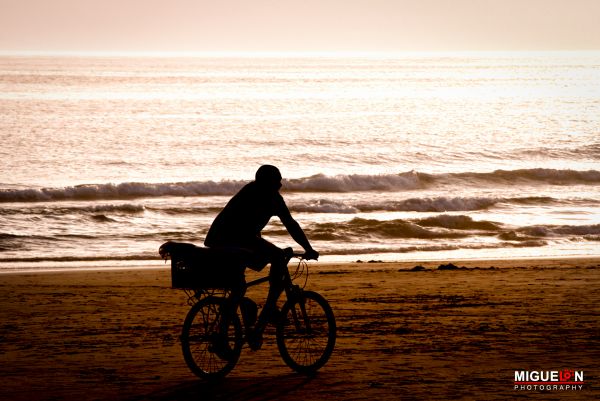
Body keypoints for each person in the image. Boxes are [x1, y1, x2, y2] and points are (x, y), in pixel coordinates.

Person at [204, 165, 318, 349]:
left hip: (230, 239)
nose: (280, 185)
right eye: (277, 181)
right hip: (231, 240)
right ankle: (269, 309)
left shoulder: (257, 192)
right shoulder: (265, 196)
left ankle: (233, 330)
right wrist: (308, 249)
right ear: (267, 182)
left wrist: (306, 246)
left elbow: (289, 225)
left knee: (239, 287)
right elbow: (289, 224)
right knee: (277, 257)